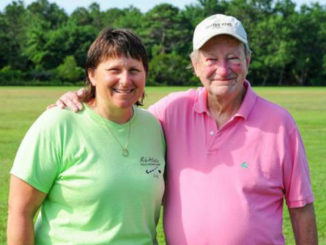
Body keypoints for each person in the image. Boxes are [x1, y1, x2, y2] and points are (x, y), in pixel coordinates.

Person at [52, 14, 318, 244]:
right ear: (195, 65)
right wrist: (83, 96)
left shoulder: (280, 123)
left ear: (248, 60)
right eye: (211, 59)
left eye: (233, 58)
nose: (223, 69)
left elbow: (301, 206)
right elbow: (121, 116)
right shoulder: (172, 110)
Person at [7, 28, 165, 245]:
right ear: (92, 74)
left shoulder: (154, 126)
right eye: (114, 69)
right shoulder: (58, 123)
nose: (125, 80)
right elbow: (20, 211)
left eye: (134, 70)